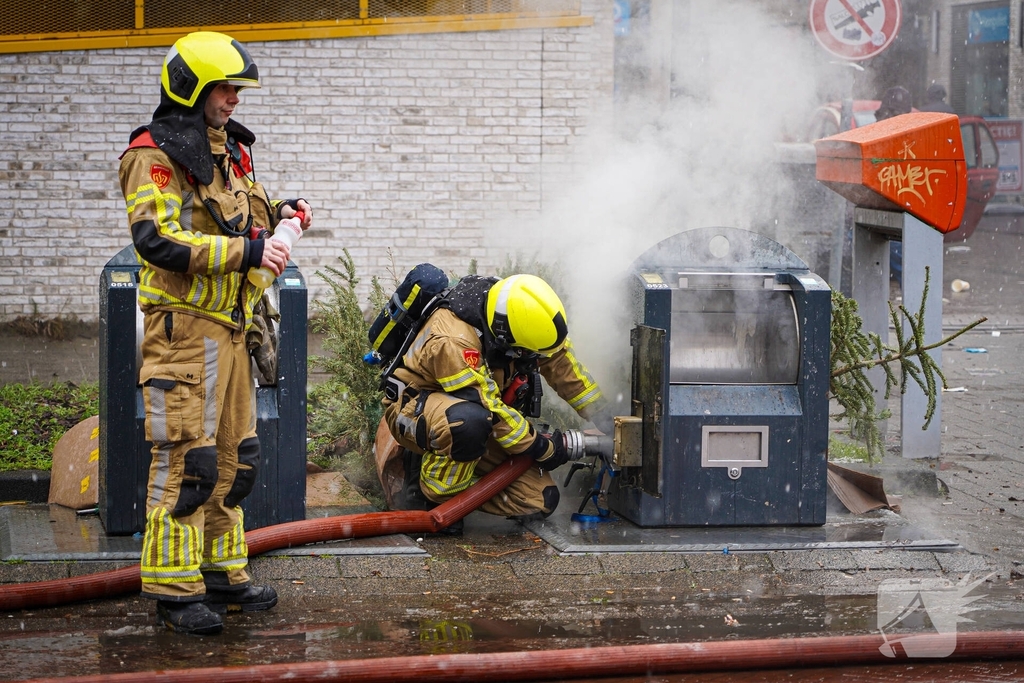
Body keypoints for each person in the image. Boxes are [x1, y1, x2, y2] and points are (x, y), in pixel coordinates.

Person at [118, 31, 313, 635]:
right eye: (224, 88)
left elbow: (243, 212)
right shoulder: (153, 156)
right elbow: (157, 240)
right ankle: (175, 591)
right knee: (189, 461)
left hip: (231, 331)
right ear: (192, 88)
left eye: (236, 89)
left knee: (235, 460)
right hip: (185, 335)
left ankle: (222, 575)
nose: (234, 99)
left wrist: (282, 213)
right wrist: (247, 252)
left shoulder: (231, 150)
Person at [381, 273, 614, 527]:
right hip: (415, 410)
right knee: (468, 423)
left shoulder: (517, 316)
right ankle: (431, 495)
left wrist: (604, 415)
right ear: (505, 338)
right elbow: (488, 406)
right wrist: (542, 447)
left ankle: (461, 477)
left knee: (539, 500)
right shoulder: (455, 340)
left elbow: (560, 364)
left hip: (478, 416)